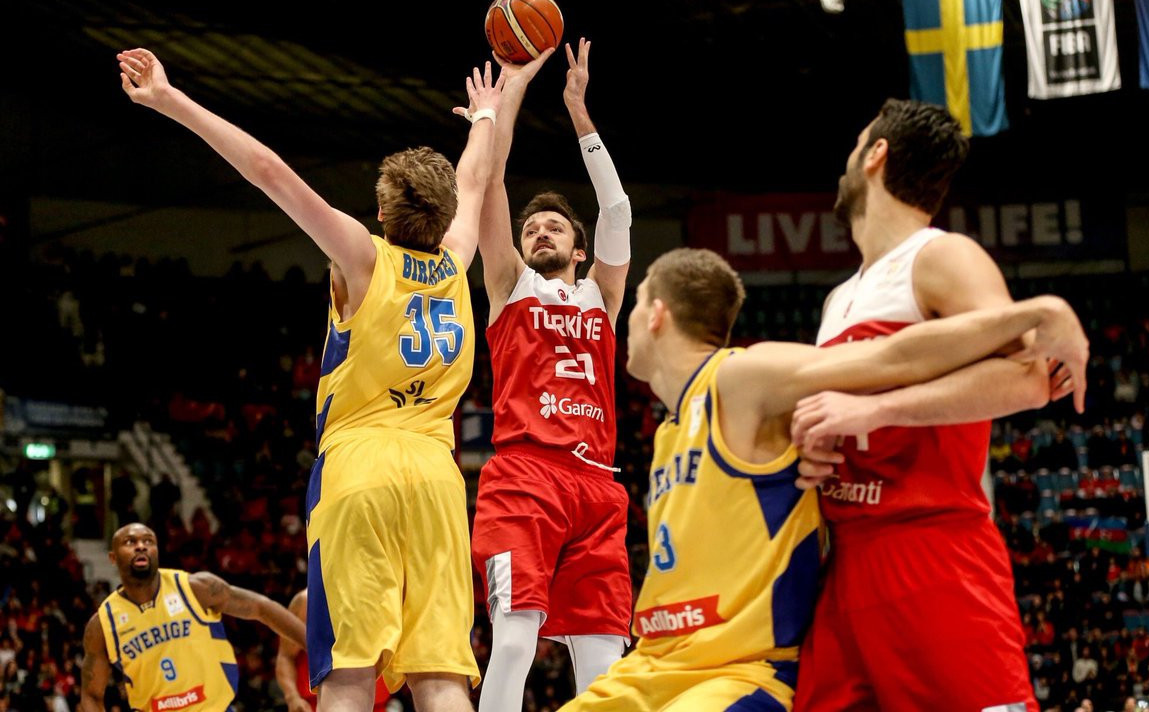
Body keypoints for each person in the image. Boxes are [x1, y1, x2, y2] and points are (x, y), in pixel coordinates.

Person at [116, 47, 504, 711]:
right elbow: (473, 180)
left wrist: (169, 99)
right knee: (440, 677)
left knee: (349, 675)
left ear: (381, 210)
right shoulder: (457, 258)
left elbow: (269, 170)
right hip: (438, 476)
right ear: (442, 219)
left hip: (359, 468)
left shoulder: (362, 256)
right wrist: (487, 118)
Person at [559, 248, 1087, 710]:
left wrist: (1032, 315)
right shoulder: (668, 430)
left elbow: (889, 358)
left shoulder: (739, 378)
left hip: (736, 673)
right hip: (651, 666)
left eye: (636, 303)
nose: (626, 320)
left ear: (656, 314)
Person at [791, 98, 1086, 711]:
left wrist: (875, 411)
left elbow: (1030, 379)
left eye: (856, 145)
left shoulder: (941, 255)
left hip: (933, 547)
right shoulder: (839, 299)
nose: (846, 161)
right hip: (846, 558)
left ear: (876, 155)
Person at [469, 39, 633, 710]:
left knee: (605, 662)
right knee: (513, 643)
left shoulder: (603, 296)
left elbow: (618, 211)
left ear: (579, 248)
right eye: (532, 227)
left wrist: (578, 111)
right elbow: (490, 187)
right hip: (524, 477)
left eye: (554, 226)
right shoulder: (510, 285)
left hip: (598, 487)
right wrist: (504, 102)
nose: (540, 231)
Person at [79, 523, 306, 712]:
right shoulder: (103, 624)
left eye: (148, 541)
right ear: (113, 557)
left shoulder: (195, 588)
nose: (141, 546)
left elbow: (261, 607)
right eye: (130, 542)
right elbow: (91, 694)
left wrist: (317, 646)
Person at [276, 590, 391, 712]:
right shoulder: (306, 601)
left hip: (375, 704)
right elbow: (286, 656)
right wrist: (292, 697)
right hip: (313, 704)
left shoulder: (385, 595)